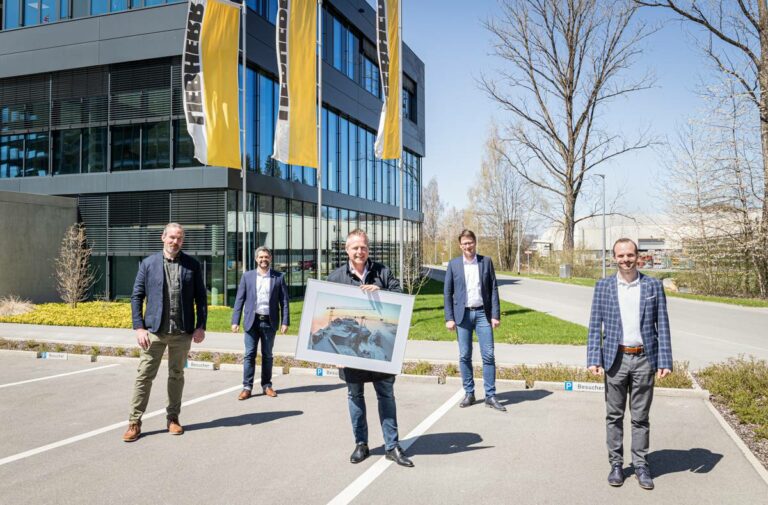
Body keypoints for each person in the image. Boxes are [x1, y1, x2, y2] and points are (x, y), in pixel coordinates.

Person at [587, 238, 673, 490]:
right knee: (614, 415)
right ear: (614, 258)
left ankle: (640, 465)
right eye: (621, 255)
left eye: (630, 255)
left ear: (638, 256)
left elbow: (663, 325)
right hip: (615, 359)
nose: (625, 260)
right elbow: (594, 325)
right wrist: (593, 358)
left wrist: (665, 360)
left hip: (645, 359)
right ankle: (616, 464)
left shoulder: (653, 286)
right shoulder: (603, 286)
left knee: (640, 417)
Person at [326, 228, 414, 468]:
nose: (360, 251)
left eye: (363, 247)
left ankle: (392, 446)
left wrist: (382, 292)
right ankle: (361, 444)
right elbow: (328, 314)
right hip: (350, 353)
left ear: (368, 249)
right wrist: (333, 353)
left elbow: (400, 296)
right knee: (355, 396)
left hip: (380, 350)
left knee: (386, 395)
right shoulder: (335, 278)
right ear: (347, 250)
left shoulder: (382, 272)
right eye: (355, 247)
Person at [123, 223, 207, 442]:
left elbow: (201, 298)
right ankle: (134, 422)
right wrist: (139, 327)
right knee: (144, 376)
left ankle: (173, 418)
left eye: (179, 238)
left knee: (176, 375)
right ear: (163, 237)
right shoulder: (148, 264)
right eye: (171, 237)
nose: (175, 242)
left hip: (182, 332)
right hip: (154, 332)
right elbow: (136, 296)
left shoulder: (192, 265)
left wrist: (200, 326)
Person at [443, 229, 505, 411]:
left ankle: (490, 396)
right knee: (464, 355)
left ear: (475, 243)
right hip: (462, 316)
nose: (468, 246)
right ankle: (469, 393)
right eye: (464, 243)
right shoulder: (454, 265)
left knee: (488, 355)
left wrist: (495, 315)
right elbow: (447, 292)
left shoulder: (486, 262)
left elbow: (493, 289)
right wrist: (449, 318)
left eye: (470, 242)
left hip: (482, 314)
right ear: (460, 245)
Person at [231, 246, 289, 400]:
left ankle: (266, 385)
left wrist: (285, 322)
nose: (264, 259)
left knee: (267, 355)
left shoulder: (279, 277)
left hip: (269, 322)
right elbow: (239, 299)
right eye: (261, 257)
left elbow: (284, 301)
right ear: (256, 259)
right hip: (252, 321)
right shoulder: (247, 276)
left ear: (270, 258)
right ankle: (247, 387)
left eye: (266, 257)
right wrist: (235, 320)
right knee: (249, 354)